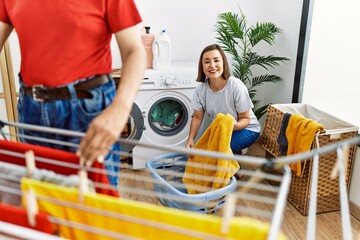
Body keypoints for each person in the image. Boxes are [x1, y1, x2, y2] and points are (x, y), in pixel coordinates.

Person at [0, 1, 146, 186]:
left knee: (94, 204)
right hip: (32, 113)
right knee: (42, 200)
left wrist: (120, 109)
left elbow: (134, 51)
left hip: (88, 113)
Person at [185, 44, 261, 154]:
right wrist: (190, 139)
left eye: (216, 60)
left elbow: (245, 119)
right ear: (202, 66)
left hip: (248, 129)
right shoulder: (201, 90)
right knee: (205, 146)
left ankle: (233, 167)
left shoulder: (235, 86)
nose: (212, 65)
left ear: (223, 63)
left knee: (214, 147)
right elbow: (197, 118)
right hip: (224, 130)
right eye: (207, 62)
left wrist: (234, 126)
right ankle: (234, 164)